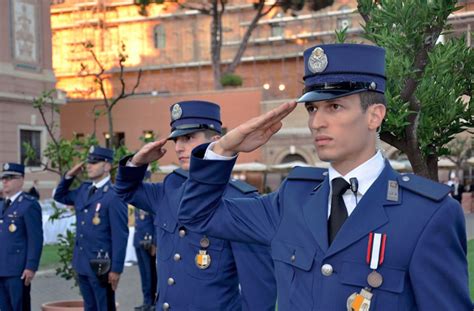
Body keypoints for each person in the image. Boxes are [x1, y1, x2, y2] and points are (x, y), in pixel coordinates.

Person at [176, 44, 473, 310]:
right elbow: (198, 215)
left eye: (334, 107)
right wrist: (223, 149)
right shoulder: (291, 199)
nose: (317, 122)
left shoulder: (427, 215)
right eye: (312, 108)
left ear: (374, 115)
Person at [114, 100, 277, 311]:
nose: (180, 147)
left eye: (188, 138)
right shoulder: (168, 190)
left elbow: (259, 293)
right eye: (176, 140)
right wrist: (137, 162)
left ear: (217, 141)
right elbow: (125, 190)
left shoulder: (240, 199)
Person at [54, 146, 128, 311]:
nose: (89, 166)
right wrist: (69, 176)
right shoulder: (84, 189)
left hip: (102, 264)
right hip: (82, 261)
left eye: (94, 163)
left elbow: (120, 236)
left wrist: (116, 269)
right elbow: (59, 196)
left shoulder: (114, 195)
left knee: (104, 307)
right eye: (88, 162)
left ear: (107, 166)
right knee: (89, 307)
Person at [0, 163, 43, 311]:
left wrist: (31, 266)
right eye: (3, 178)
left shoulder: (29, 205)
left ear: (21, 180)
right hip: (1, 267)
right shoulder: (1, 205)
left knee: (19, 307)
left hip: (17, 270)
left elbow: (35, 239)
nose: (5, 181)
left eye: (10, 178)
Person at [133, 172, 157, 311]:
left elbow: (156, 222)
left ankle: (151, 301)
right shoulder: (139, 198)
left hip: (149, 242)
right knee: (143, 273)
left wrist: (155, 242)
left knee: (150, 273)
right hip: (139, 240)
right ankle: (146, 300)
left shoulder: (150, 199)